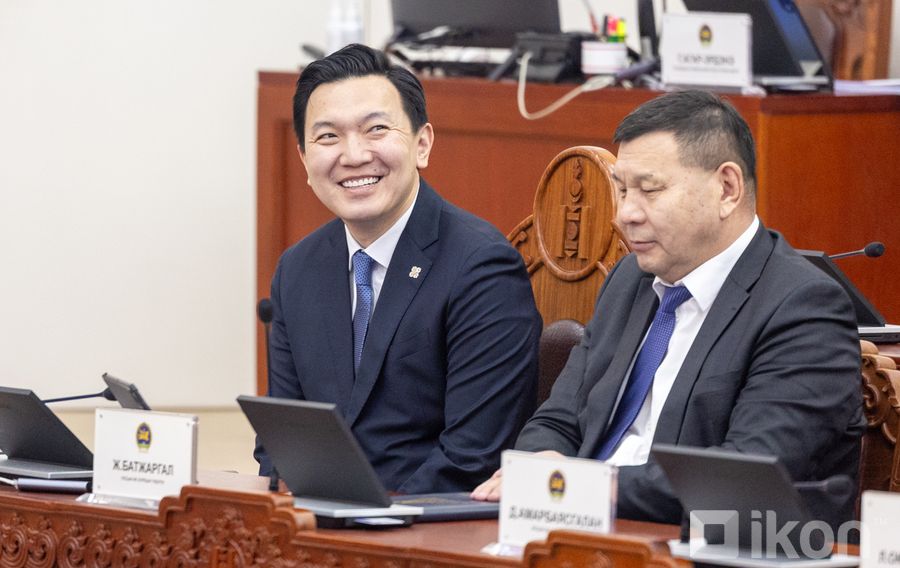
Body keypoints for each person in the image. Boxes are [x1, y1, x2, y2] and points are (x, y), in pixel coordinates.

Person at [472, 90, 864, 523]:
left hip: (700, 539)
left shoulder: (803, 307)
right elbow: (557, 420)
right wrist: (541, 462)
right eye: (622, 190)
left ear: (727, 188)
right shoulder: (630, 279)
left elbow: (743, 474)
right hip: (577, 524)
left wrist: (584, 487)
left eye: (649, 190)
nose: (625, 214)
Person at [254, 44, 542, 494]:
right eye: (327, 137)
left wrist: (374, 516)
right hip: (319, 519)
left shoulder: (481, 266)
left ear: (422, 144)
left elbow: (471, 457)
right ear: (305, 160)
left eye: (376, 129)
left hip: (429, 521)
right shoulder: (298, 268)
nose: (353, 155)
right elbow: (282, 439)